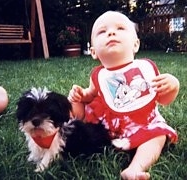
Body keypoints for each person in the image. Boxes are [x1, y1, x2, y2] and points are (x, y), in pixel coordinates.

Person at [68, 11, 180, 180]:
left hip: (143, 122)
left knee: (158, 135)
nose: (111, 33)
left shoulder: (145, 69)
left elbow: (163, 99)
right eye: (102, 31)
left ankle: (135, 168)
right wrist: (81, 95)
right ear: (93, 52)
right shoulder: (98, 76)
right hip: (107, 126)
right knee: (75, 108)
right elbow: (90, 95)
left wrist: (173, 86)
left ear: (135, 45)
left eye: (120, 28)